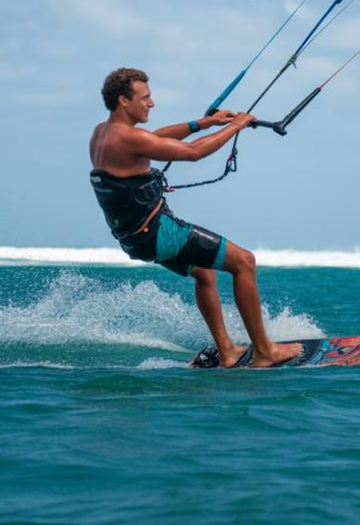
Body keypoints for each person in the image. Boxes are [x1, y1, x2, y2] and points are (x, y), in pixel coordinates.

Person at [89, 67, 302, 368]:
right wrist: (236, 126)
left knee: (204, 272)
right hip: (158, 233)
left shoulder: (103, 133)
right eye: (145, 97)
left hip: (135, 239)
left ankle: (227, 351)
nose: (151, 103)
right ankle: (265, 352)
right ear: (124, 100)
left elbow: (153, 139)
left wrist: (203, 123)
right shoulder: (128, 139)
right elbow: (192, 153)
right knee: (244, 262)